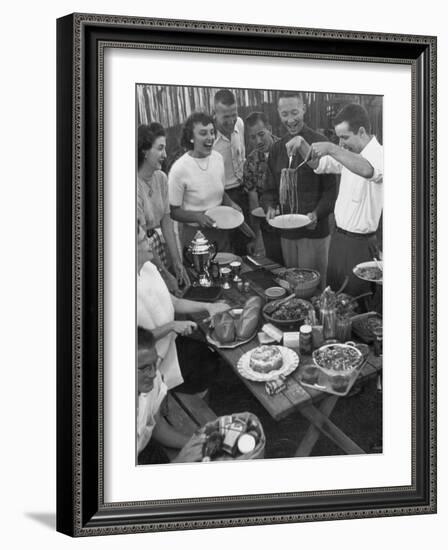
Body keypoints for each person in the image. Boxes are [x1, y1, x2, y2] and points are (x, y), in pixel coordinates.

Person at [288, 103, 383, 296]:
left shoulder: (380, 154)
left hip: (361, 245)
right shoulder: (348, 153)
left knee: (355, 302)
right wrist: (301, 143)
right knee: (333, 296)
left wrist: (331, 147)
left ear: (362, 131)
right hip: (338, 239)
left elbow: (367, 170)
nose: (341, 144)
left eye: (344, 137)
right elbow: (318, 164)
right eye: (338, 138)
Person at [137, 222, 230, 392]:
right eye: (143, 240)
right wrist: (172, 326)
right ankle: (181, 399)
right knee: (207, 364)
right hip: (152, 361)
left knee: (211, 354)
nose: (150, 242)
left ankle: (202, 393)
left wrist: (208, 306)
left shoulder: (148, 268)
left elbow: (174, 302)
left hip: (171, 342)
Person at [262, 92, 337, 287]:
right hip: (287, 232)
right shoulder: (277, 149)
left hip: (315, 233)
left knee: (315, 286)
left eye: (295, 112)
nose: (290, 119)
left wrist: (317, 214)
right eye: (284, 114)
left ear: (304, 109)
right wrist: (269, 207)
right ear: (278, 113)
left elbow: (331, 191)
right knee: (293, 284)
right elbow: (268, 189)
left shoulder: (320, 143)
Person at [168, 112, 241, 253]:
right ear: (191, 138)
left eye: (212, 132)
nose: (210, 137)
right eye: (203, 133)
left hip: (221, 231)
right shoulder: (179, 169)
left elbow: (219, 191)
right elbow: (173, 211)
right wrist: (197, 217)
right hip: (195, 235)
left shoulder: (218, 158)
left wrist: (230, 203)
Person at [137, 327, 209, 464]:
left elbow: (157, 426)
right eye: (143, 368)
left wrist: (196, 444)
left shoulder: (154, 379)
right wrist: (180, 461)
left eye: (154, 363)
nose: (153, 374)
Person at [137, 123, 189, 295]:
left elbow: (167, 224)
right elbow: (141, 238)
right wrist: (164, 274)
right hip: (139, 253)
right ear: (144, 151)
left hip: (157, 249)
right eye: (160, 148)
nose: (165, 155)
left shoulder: (161, 178)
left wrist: (177, 262)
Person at [242, 111, 283, 263]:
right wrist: (257, 236)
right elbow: (254, 203)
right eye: (253, 137)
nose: (258, 141)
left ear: (270, 129)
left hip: (291, 222)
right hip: (267, 224)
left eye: (261, 134)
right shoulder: (251, 162)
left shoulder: (286, 150)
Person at [212, 89, 249, 255]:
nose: (231, 120)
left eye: (234, 114)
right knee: (225, 249)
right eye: (225, 117)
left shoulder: (239, 124)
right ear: (214, 114)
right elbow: (209, 180)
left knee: (246, 245)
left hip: (243, 192)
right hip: (221, 198)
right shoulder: (208, 138)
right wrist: (228, 202)